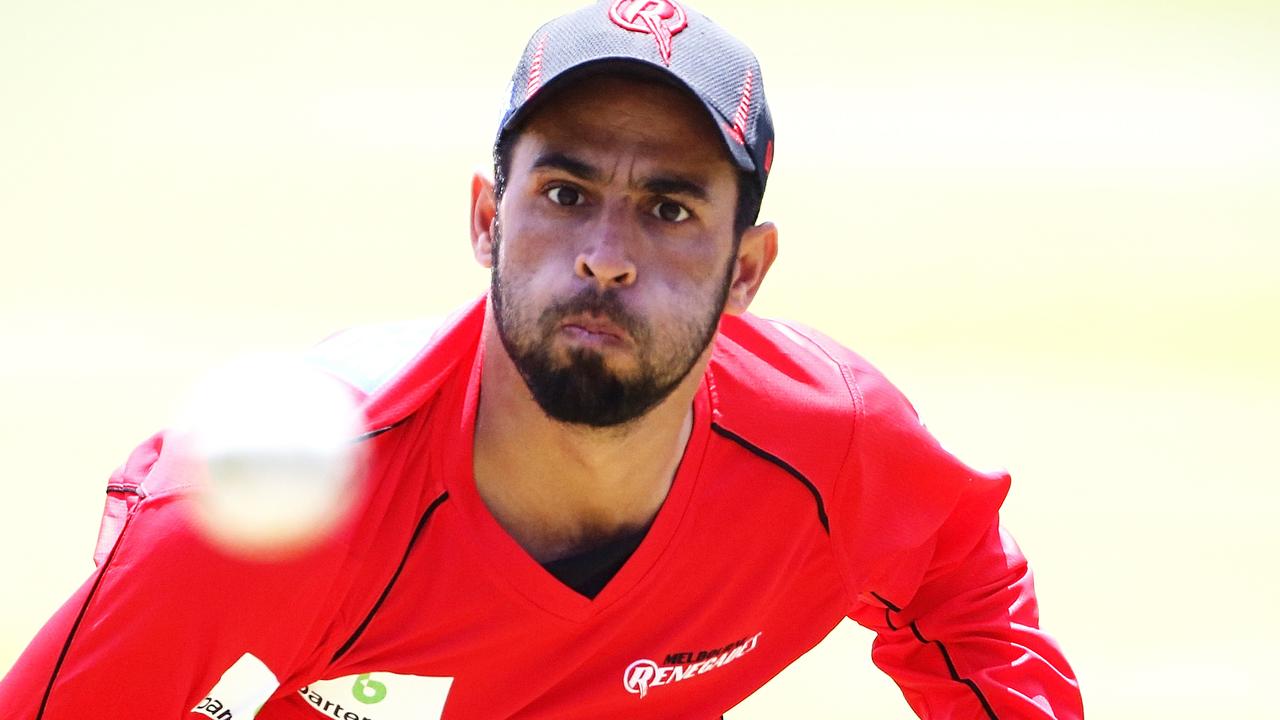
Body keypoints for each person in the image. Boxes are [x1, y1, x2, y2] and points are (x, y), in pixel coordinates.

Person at [0, 1, 1083, 718]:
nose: (605, 259)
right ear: (486, 219)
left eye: (668, 209)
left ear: (745, 271)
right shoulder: (252, 517)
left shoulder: (829, 448)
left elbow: (961, 586)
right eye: (564, 196)